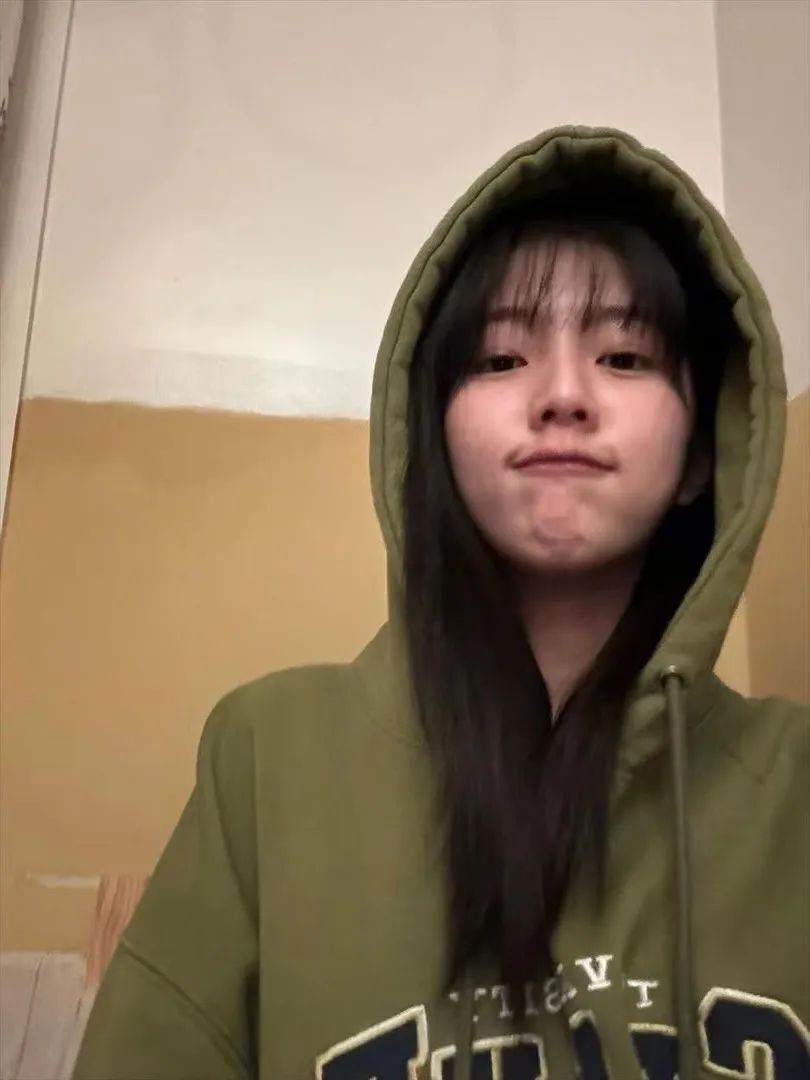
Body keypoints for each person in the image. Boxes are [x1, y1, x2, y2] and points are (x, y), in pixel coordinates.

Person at [72, 126, 809, 1080]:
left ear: (703, 454)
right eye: (500, 358)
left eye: (625, 357)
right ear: (434, 437)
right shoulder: (265, 755)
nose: (563, 395)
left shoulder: (794, 787)